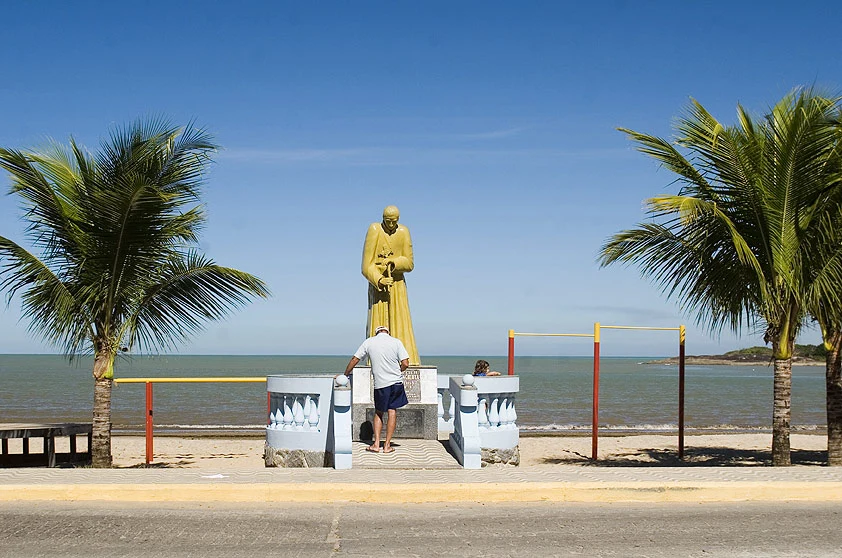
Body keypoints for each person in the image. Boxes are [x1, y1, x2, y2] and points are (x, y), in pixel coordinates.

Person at [361, 205, 420, 365]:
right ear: (383, 219)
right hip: (378, 285)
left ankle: (406, 361)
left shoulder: (403, 232)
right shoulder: (374, 229)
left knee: (400, 322)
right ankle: (377, 362)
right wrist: (379, 279)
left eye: (394, 222)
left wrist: (394, 263)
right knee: (378, 323)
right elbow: (366, 265)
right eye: (388, 221)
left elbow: (410, 263)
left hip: (397, 284)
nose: (391, 225)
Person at [342, 325, 409, 453]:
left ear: (376, 332)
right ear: (388, 332)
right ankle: (387, 445)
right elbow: (405, 363)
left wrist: (345, 374)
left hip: (381, 384)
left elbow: (355, 359)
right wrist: (398, 372)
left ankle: (376, 444)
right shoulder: (396, 342)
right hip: (396, 383)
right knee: (392, 411)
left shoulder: (369, 342)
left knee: (379, 412)